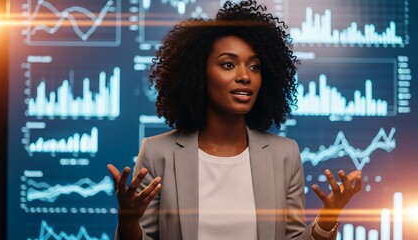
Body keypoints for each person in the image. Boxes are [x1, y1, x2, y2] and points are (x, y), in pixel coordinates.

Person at [107, 1, 362, 239]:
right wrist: (128, 221)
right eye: (228, 64)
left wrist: (327, 220)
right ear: (198, 73)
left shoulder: (284, 154)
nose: (245, 76)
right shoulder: (157, 152)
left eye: (254, 67)